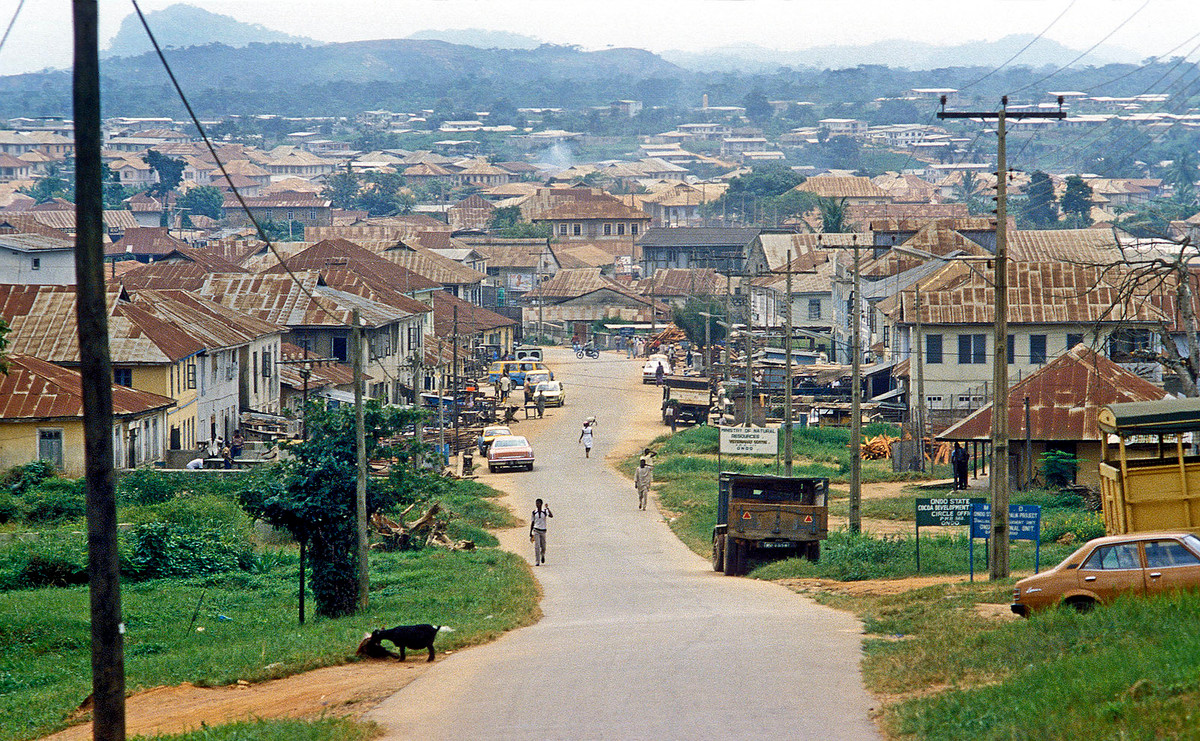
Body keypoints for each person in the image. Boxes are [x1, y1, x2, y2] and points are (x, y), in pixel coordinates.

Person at [529, 498, 553, 565]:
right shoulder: (534, 512)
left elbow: (551, 516)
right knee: (537, 546)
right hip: (536, 530)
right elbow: (532, 522)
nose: (537, 505)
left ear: (541, 504)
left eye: (538, 503)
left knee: (543, 546)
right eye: (536, 503)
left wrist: (547, 508)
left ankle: (542, 554)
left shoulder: (544, 511)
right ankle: (537, 561)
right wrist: (530, 532)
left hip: (543, 531)